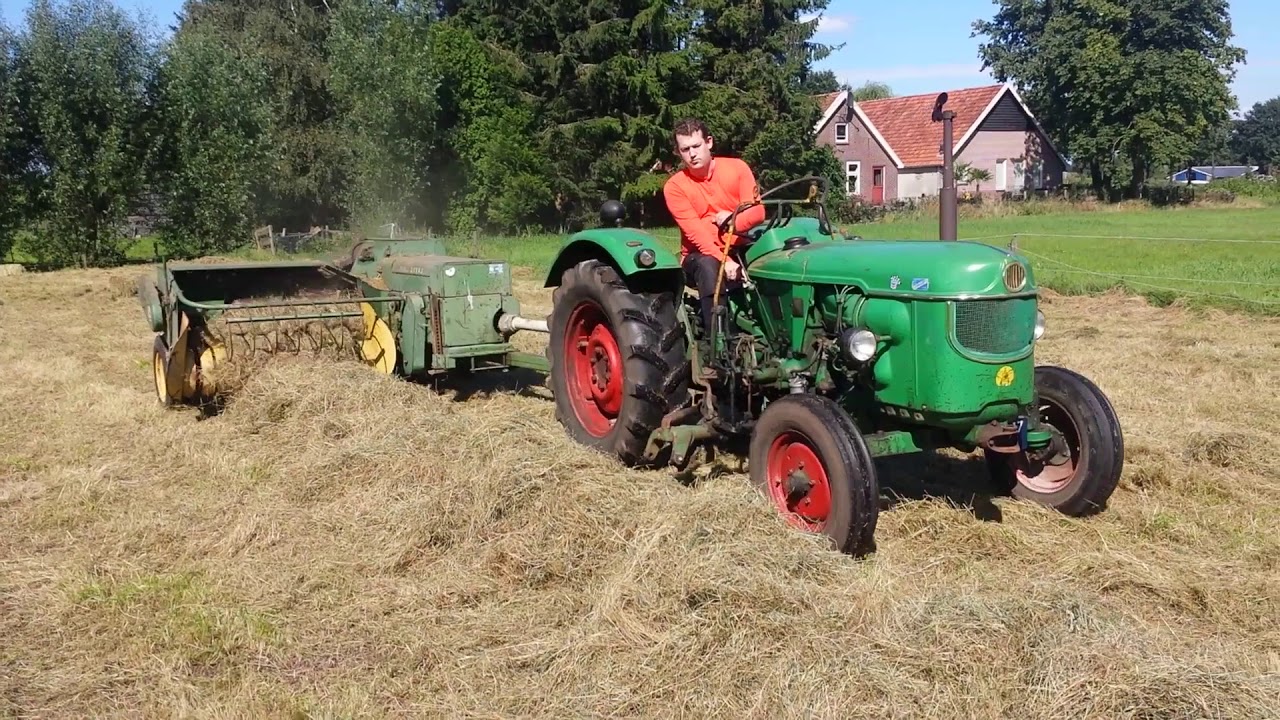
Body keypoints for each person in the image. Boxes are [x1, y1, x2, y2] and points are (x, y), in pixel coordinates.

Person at [662, 118, 766, 334]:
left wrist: (731, 221)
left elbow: (757, 213)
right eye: (685, 149)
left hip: (740, 245)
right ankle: (719, 342)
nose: (692, 154)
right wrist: (725, 261)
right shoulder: (675, 187)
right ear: (679, 152)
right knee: (709, 266)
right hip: (699, 255)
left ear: (709, 142)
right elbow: (697, 235)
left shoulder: (737, 168)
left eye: (696, 146)